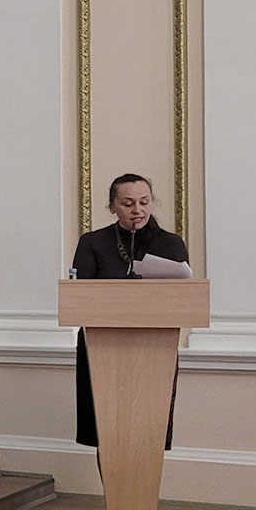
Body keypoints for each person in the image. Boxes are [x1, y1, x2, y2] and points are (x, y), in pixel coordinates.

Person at [72, 173, 187, 491]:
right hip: (102, 350)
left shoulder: (171, 244)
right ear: (112, 207)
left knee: (148, 431)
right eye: (128, 203)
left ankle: (142, 509)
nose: (138, 210)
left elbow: (182, 301)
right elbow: (80, 299)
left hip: (155, 350)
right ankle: (116, 507)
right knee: (109, 431)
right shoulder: (93, 243)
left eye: (144, 202)